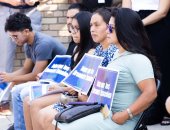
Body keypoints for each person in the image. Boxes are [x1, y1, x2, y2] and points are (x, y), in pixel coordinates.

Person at [54, 7, 160, 130]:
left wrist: (126, 114)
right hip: (104, 113)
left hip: (120, 121)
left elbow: (151, 93)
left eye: (111, 28)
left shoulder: (138, 59)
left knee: (62, 127)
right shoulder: (117, 54)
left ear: (124, 30)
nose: (108, 31)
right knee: (58, 122)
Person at [28, 8, 117, 130]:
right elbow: (80, 81)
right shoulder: (96, 51)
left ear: (109, 27)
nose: (92, 29)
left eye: (97, 25)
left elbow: (102, 88)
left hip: (92, 102)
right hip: (80, 97)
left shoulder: (113, 52)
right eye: (91, 25)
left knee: (45, 115)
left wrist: (72, 89)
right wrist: (67, 87)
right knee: (37, 109)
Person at [0, 12, 66, 130]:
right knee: (16, 90)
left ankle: (21, 126)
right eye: (11, 37)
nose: (14, 40)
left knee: (20, 91)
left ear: (26, 31)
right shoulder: (28, 44)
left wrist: (12, 78)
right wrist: (7, 76)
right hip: (44, 78)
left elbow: (34, 74)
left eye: (15, 36)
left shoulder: (42, 44)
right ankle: (20, 125)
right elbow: (26, 69)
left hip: (59, 81)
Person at [122, 0, 170, 125]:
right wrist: (129, 25)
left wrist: (139, 24)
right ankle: (140, 108)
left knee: (161, 66)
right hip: (134, 25)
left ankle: (165, 109)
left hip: (157, 25)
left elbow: (163, 11)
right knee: (138, 65)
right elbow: (126, 8)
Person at [0, 0, 42, 73]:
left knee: (35, 52)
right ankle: (2, 83)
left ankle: (34, 82)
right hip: (7, 10)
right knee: (4, 56)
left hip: (31, 11)